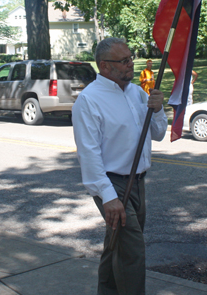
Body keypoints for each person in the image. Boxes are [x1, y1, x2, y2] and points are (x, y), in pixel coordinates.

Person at [72, 38, 167, 295]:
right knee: (132, 252)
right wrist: (108, 196)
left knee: (116, 245)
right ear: (105, 66)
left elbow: (157, 133)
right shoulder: (89, 101)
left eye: (130, 58)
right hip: (112, 184)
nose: (130, 64)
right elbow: (88, 154)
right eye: (124, 61)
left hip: (138, 182)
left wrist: (157, 109)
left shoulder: (137, 93)